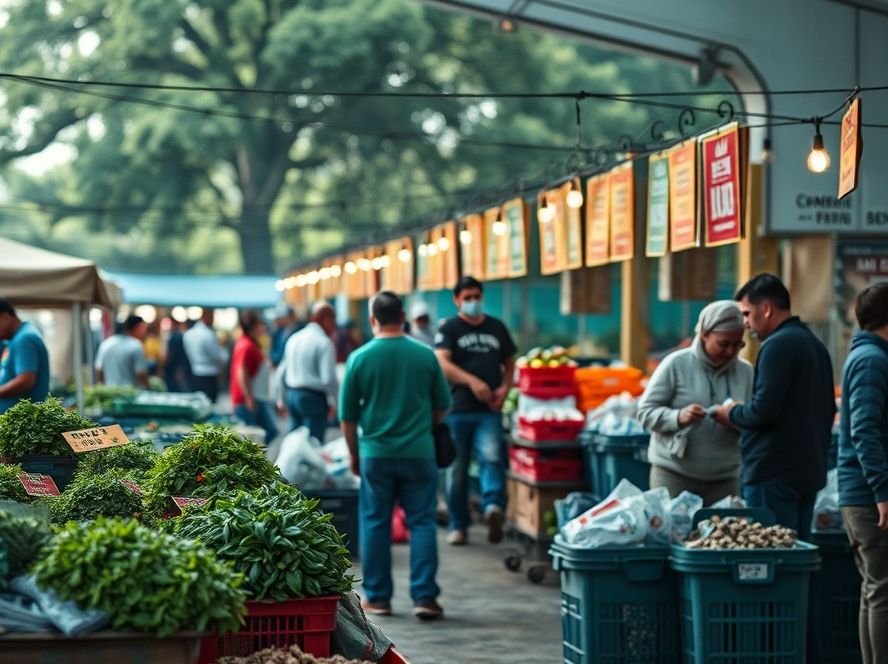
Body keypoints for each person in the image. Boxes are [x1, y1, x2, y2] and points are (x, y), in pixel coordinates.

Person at [714, 273, 834, 664]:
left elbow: (764, 410)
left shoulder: (778, 346)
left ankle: (775, 652)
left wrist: (732, 412)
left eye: (748, 314)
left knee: (773, 572)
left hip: (773, 474)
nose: (745, 323)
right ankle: (806, 653)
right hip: (806, 472)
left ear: (767, 308)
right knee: (799, 572)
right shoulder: (813, 345)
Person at [339, 291, 452, 620]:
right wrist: (419, 426)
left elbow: (348, 416)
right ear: (402, 318)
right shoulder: (425, 355)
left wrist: (354, 453)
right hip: (420, 452)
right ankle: (425, 597)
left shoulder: (359, 358)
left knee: (375, 523)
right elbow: (443, 405)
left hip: (376, 453)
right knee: (422, 523)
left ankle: (378, 597)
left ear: (373, 319)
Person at [637, 301, 753, 505]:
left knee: (724, 534)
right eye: (723, 344)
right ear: (705, 334)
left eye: (737, 345)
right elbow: (645, 412)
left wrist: (735, 419)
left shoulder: (746, 372)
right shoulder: (676, 364)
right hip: (674, 475)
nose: (730, 352)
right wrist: (678, 417)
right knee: (673, 533)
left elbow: (757, 418)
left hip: (725, 480)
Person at [435, 276, 516, 546]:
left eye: (476, 296)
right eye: (467, 297)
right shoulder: (449, 328)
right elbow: (442, 363)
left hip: (489, 410)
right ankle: (459, 525)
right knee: (457, 470)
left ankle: (492, 507)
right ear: (457, 300)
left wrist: (505, 387)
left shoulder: (496, 328)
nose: (473, 302)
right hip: (457, 410)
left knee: (491, 459)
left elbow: (509, 362)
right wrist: (472, 381)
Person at [837, 282, 888, 664]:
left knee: (875, 589)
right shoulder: (872, 360)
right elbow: (865, 430)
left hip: (863, 493)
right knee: (882, 590)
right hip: (869, 496)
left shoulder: (868, 356)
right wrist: (882, 491)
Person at [277, 302, 338, 443]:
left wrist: (280, 398)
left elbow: (281, 371)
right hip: (313, 398)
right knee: (313, 445)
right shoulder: (324, 342)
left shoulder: (294, 338)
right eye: (332, 319)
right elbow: (328, 379)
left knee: (295, 443)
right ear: (324, 319)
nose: (334, 325)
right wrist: (336, 401)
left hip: (292, 395)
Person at [230, 310, 278, 445]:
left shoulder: (251, 343)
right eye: (260, 324)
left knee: (257, 436)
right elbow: (242, 373)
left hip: (256, 397)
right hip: (249, 399)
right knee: (251, 438)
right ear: (254, 326)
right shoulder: (246, 346)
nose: (263, 327)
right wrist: (249, 397)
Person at [0, 298, 49, 414]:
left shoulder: (24, 339)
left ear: (5, 317)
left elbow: (25, 380)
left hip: (22, 423)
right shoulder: (16, 338)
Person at [183, 309, 228, 404]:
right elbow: (217, 356)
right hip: (209, 375)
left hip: (195, 373)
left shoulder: (189, 333)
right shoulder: (208, 334)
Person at [95, 314, 150, 388]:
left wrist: (102, 387)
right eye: (142, 329)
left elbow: (99, 369)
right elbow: (141, 373)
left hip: (109, 391)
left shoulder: (105, 344)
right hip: (130, 393)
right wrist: (148, 388)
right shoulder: (136, 345)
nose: (144, 333)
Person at [163, 316, 193, 392]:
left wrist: (162, 365)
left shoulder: (175, 336)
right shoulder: (179, 335)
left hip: (175, 369)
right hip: (179, 368)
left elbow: (171, 355)